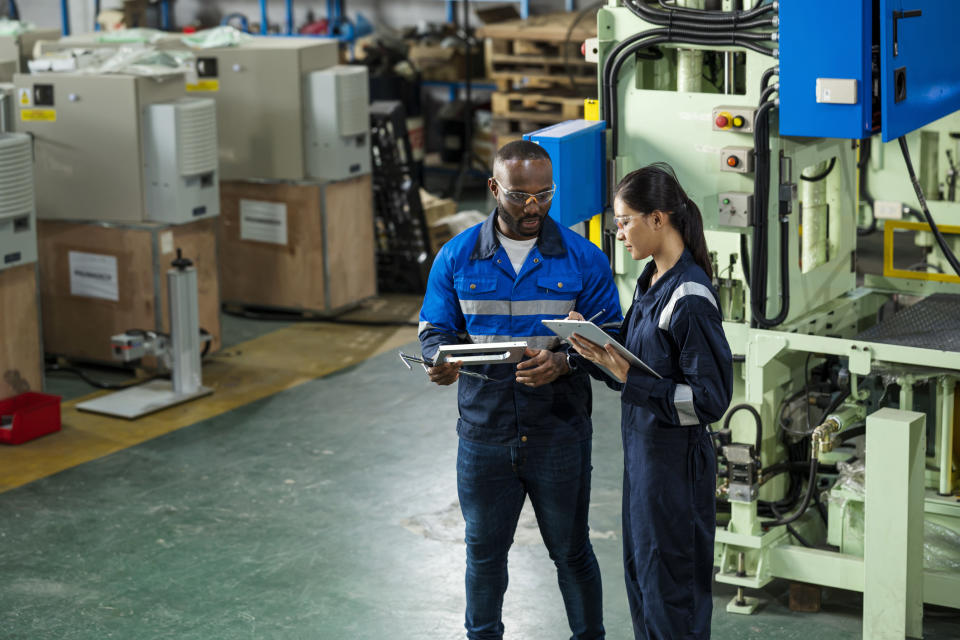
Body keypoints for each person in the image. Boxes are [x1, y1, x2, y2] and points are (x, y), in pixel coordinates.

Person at [418, 140, 622, 640]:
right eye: (519, 196)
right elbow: (435, 330)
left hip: (559, 433)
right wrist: (437, 361)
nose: (533, 207)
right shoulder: (457, 256)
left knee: (572, 552)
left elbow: (611, 342)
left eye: (544, 194)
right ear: (493, 188)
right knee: (484, 553)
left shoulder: (583, 260)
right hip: (484, 436)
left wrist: (564, 362)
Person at [567, 163, 733, 640]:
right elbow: (641, 368)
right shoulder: (649, 283)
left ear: (658, 219)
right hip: (644, 466)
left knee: (671, 601)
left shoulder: (690, 298)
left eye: (624, 221)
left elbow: (708, 402)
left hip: (675, 473)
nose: (618, 233)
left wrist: (629, 378)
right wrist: (596, 351)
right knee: (644, 589)